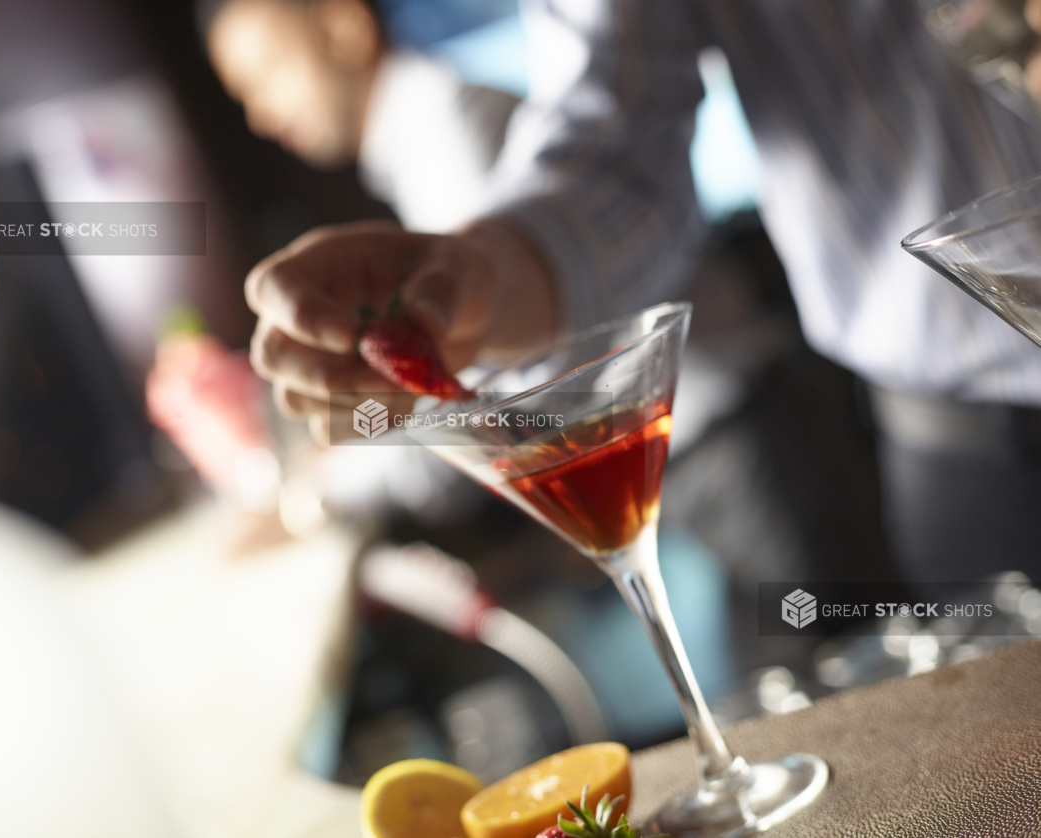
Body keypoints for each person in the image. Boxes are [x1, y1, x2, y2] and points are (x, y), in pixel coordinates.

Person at [244, 0, 1041, 592]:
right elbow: (614, 147)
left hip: (752, 438)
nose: (256, 108)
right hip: (964, 437)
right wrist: (470, 290)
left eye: (264, 71)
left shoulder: (442, 119)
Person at [203, 0, 519, 232]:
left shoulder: (447, 139)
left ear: (346, 29)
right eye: (244, 97)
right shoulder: (414, 143)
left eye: (267, 74)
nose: (259, 117)